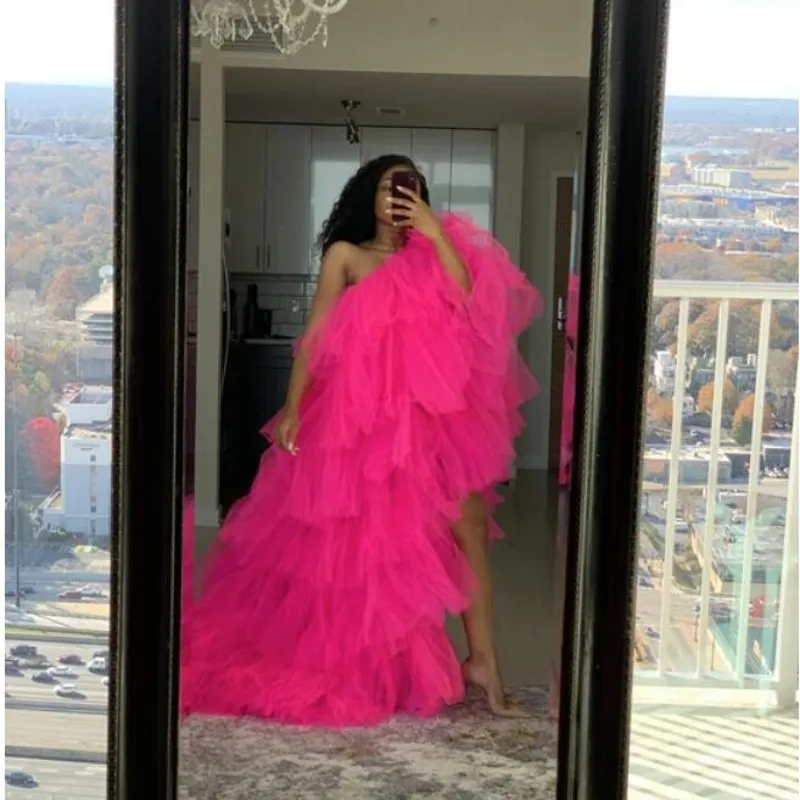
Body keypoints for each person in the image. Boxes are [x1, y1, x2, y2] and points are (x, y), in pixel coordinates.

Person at [181, 154, 543, 727]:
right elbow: (316, 335)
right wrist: (293, 407)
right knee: (372, 546)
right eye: (387, 188)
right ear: (367, 197)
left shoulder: (435, 254)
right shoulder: (346, 256)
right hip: (363, 425)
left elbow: (473, 305)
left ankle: (484, 661)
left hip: (432, 421)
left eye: (409, 188)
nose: (398, 197)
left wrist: (432, 232)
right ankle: (367, 663)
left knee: (470, 524)